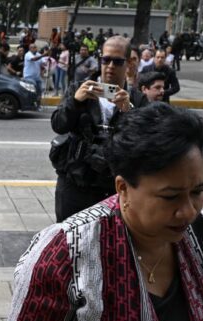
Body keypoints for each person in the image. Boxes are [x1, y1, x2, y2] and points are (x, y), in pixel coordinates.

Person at [0, 103, 203, 321]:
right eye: (170, 196)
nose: (187, 210)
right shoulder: (67, 251)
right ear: (123, 188)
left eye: (198, 191)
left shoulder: (200, 231)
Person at [51, 36, 145, 222]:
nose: (110, 66)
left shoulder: (136, 99)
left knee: (112, 245)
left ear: (128, 64)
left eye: (117, 61)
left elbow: (145, 140)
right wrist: (75, 102)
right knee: (70, 242)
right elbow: (59, 125)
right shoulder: (79, 89)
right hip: (75, 185)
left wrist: (128, 110)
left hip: (114, 189)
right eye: (106, 60)